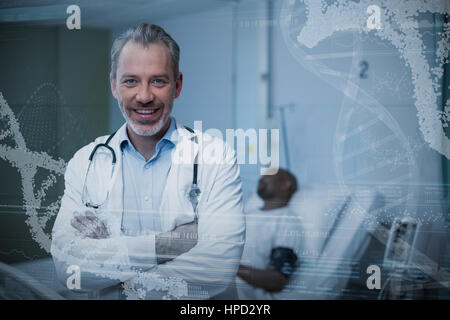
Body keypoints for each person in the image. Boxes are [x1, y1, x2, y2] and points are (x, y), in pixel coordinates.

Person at [50, 23, 245, 299]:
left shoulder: (216, 157)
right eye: (131, 81)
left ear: (176, 86)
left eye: (158, 81)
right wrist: (172, 244)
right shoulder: (85, 162)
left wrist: (117, 264)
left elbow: (217, 270)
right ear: (114, 86)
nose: (144, 96)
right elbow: (68, 269)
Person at [234, 168, 303, 299]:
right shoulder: (245, 215)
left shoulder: (287, 222)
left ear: (285, 184)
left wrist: (228, 267)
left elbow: (278, 279)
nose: (261, 179)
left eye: (268, 175)